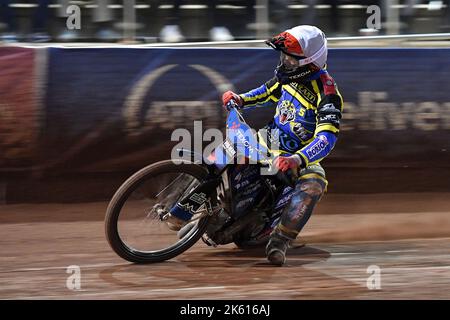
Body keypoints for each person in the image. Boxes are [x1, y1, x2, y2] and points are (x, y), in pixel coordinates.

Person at [222, 25, 344, 266]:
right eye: (284, 57)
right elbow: (267, 92)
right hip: (267, 140)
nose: (284, 62)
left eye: (290, 59)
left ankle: (279, 240)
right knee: (225, 145)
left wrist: (296, 159)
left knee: (315, 183)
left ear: (309, 63)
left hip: (294, 157)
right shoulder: (287, 77)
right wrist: (240, 99)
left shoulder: (328, 94)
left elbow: (326, 139)